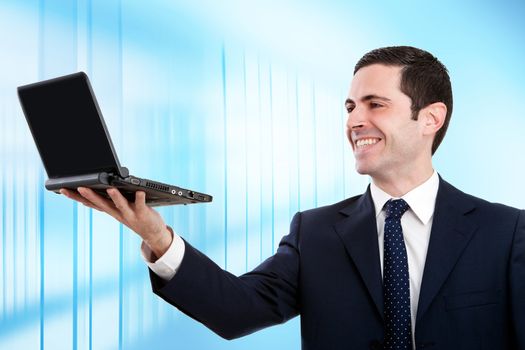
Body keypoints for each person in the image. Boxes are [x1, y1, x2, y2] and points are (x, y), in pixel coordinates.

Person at [60, 46, 525, 350]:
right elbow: (235, 311)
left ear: (430, 118)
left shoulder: (506, 233)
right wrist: (157, 236)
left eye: (374, 104)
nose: (354, 120)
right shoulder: (317, 233)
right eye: (349, 107)